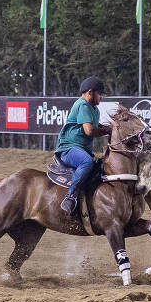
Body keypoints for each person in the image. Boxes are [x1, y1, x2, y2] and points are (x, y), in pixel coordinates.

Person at [55, 76, 116, 214]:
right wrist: (107, 130)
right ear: (90, 92)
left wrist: (110, 128)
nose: (101, 97)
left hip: (82, 149)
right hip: (68, 149)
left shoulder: (95, 110)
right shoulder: (83, 105)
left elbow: (97, 126)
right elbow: (89, 130)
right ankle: (70, 197)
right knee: (87, 161)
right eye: (99, 94)